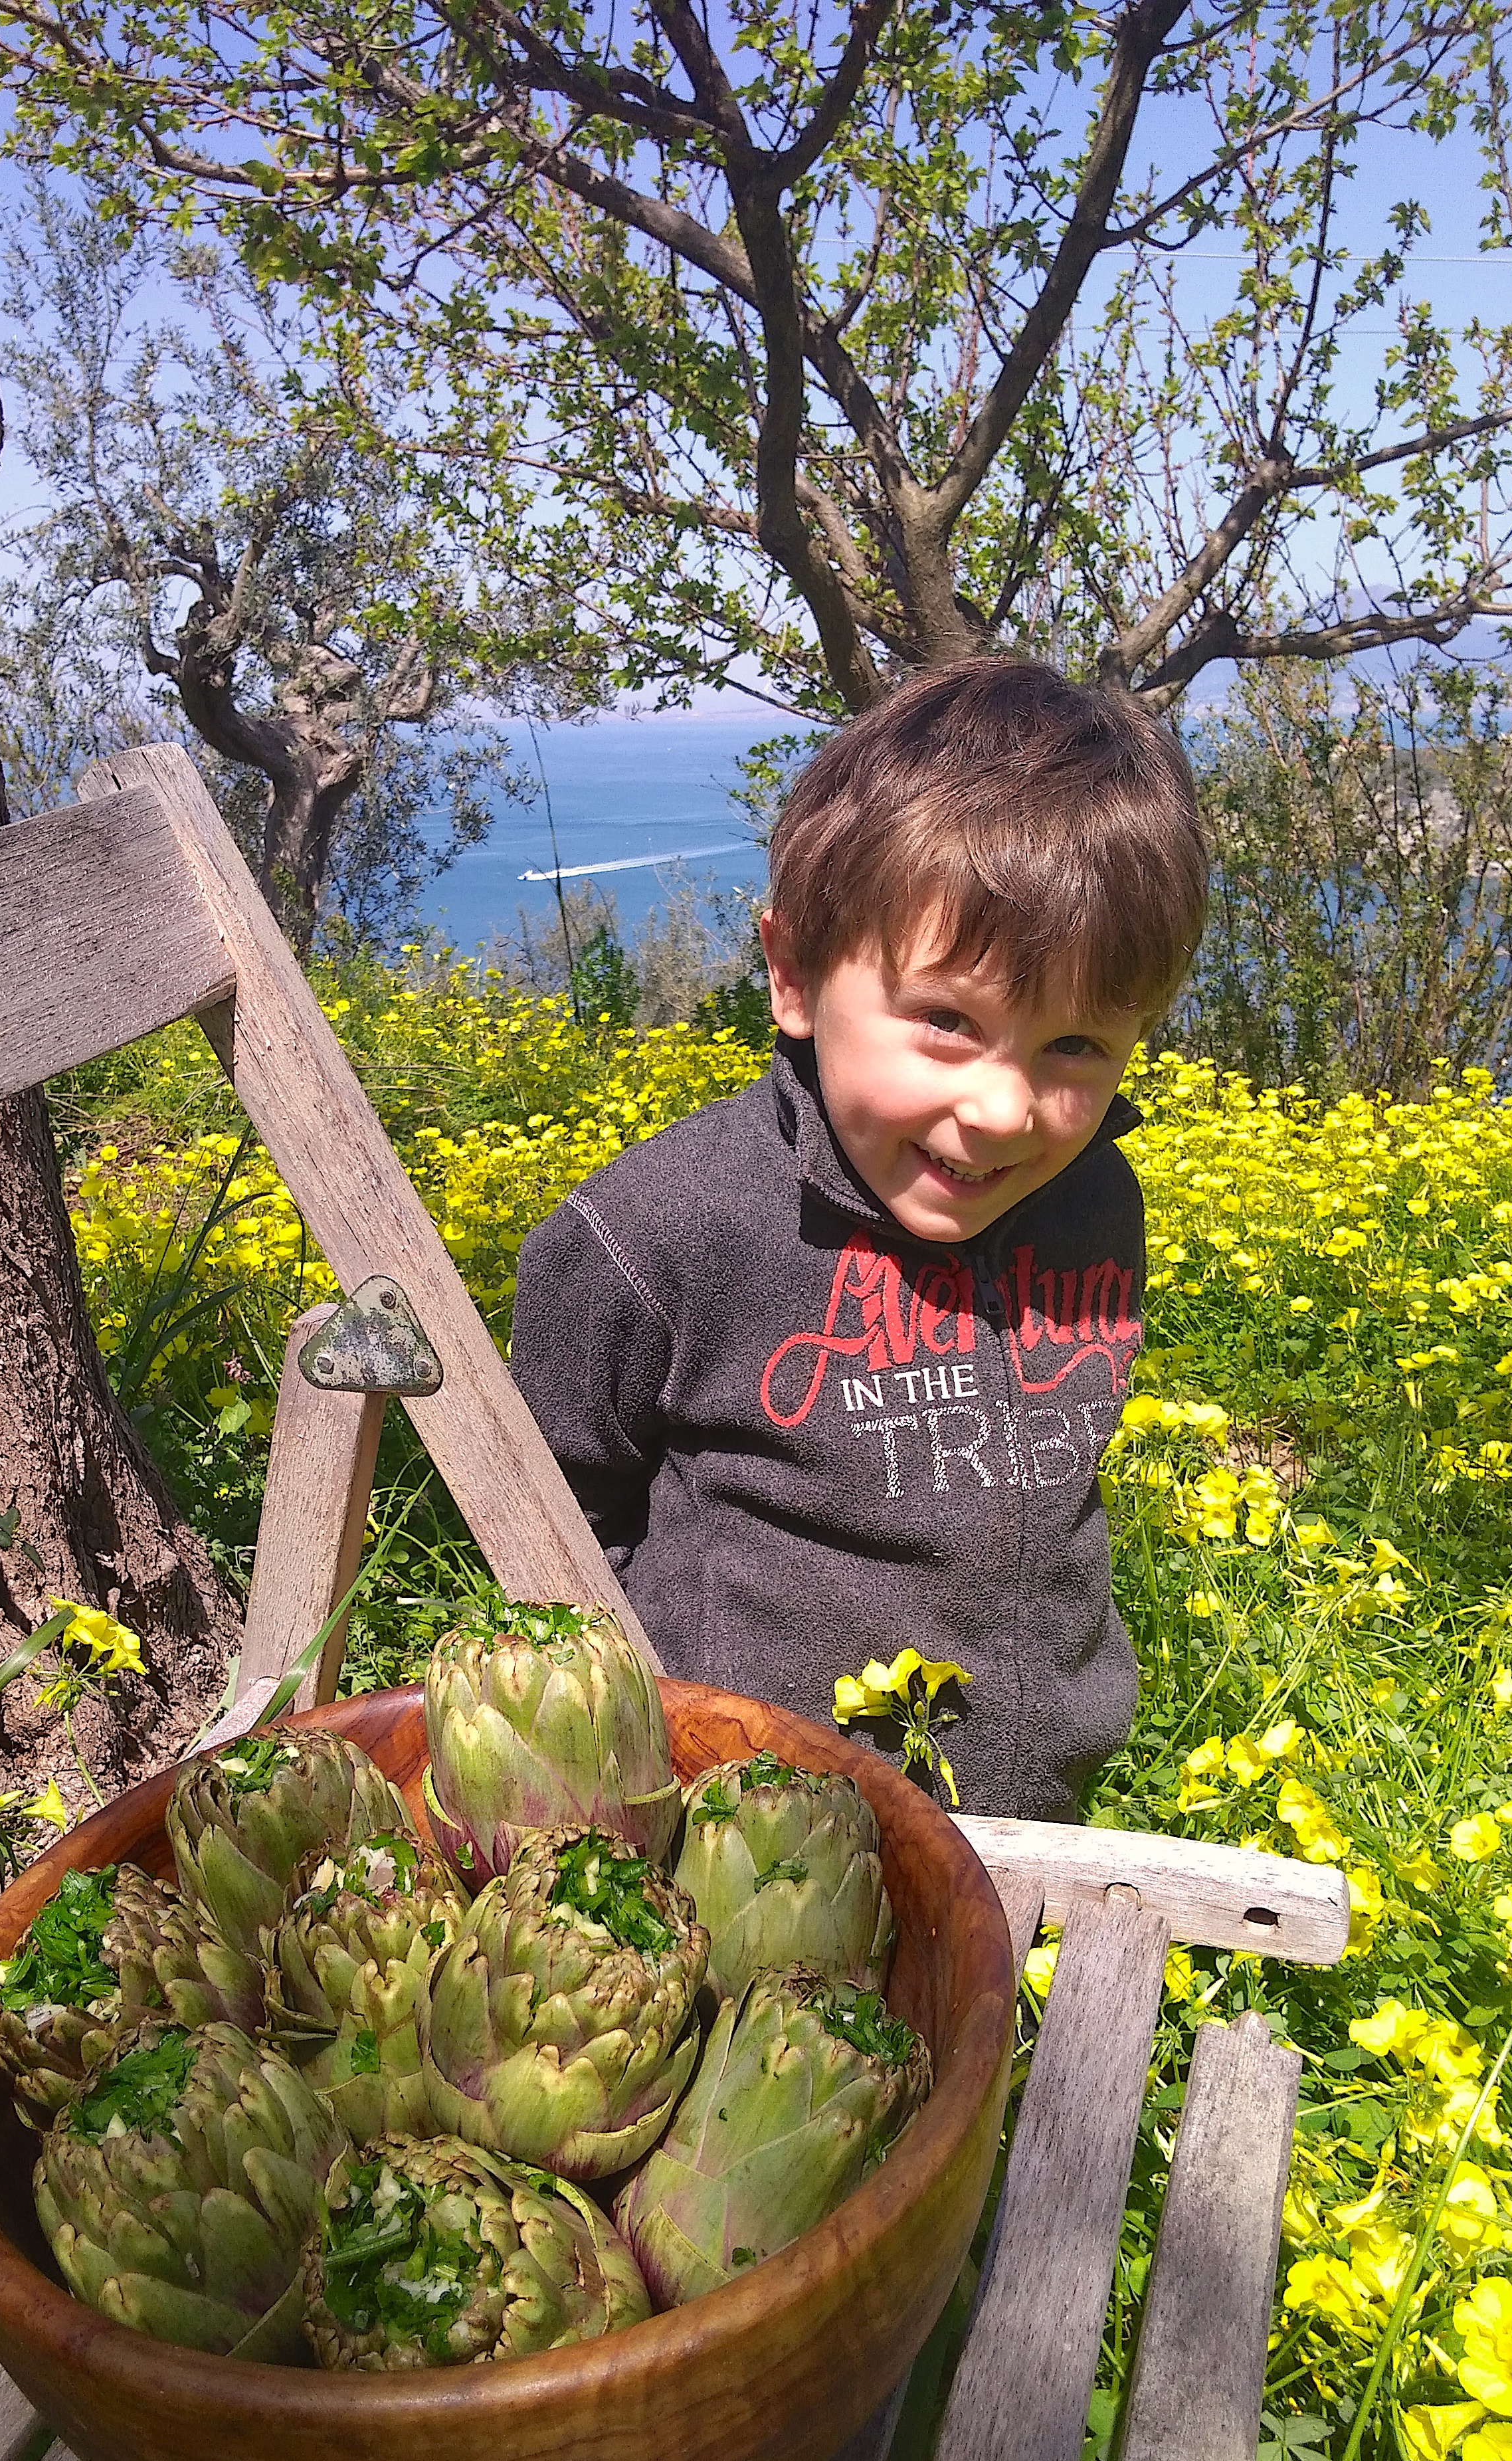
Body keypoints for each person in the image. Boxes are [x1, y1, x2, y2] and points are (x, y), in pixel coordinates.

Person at [509, 656, 1208, 1822]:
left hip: (1044, 1836)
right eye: (947, 1022)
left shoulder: (1097, 1200)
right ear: (792, 974)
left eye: (1077, 1046)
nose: (1002, 1112)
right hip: (753, 1850)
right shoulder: (657, 1232)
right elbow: (552, 1531)